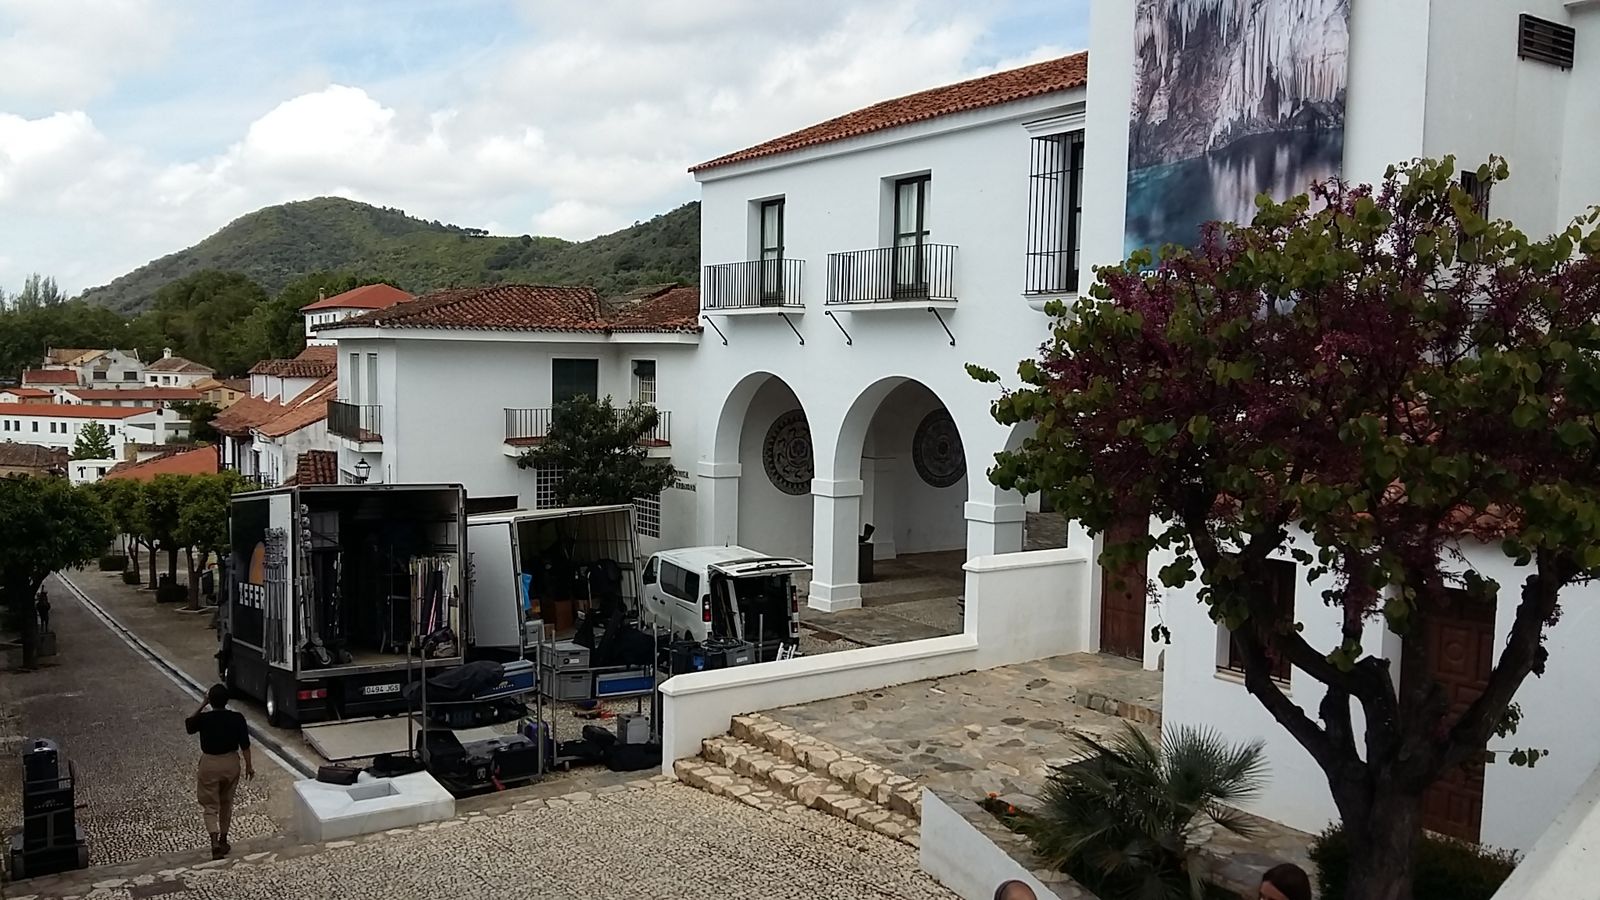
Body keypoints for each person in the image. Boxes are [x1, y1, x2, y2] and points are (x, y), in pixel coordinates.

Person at [184, 684, 254, 859]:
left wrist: (202, 703)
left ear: (211, 701)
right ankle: (224, 838)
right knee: (226, 802)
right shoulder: (237, 718)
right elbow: (245, 745)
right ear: (227, 700)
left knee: (210, 805)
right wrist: (249, 766)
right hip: (230, 762)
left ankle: (214, 840)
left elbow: (189, 725)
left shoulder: (204, 719)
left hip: (209, 763)